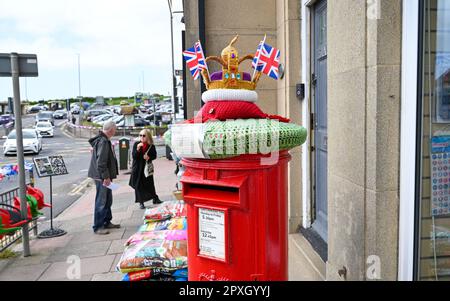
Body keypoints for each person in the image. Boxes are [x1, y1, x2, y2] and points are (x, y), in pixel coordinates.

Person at [88, 120, 120, 235]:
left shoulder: (104, 140)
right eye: (115, 129)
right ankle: (98, 226)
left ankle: (107, 221)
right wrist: (106, 177)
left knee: (107, 199)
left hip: (103, 176)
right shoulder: (103, 142)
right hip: (101, 177)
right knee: (101, 201)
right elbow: (101, 162)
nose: (115, 131)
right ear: (111, 130)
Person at [129, 129, 162, 209]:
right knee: (139, 185)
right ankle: (141, 202)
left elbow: (154, 156)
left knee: (150, 183)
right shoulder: (137, 144)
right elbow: (134, 156)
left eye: (144, 135)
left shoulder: (151, 145)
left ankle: (155, 198)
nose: (142, 137)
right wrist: (137, 149)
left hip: (147, 167)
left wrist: (148, 158)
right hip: (138, 168)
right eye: (140, 135)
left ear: (148, 137)